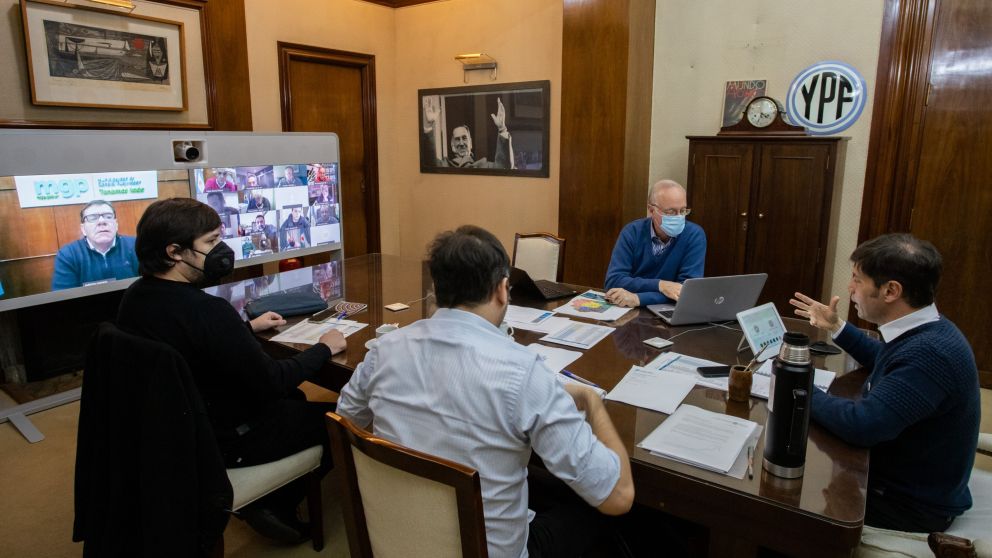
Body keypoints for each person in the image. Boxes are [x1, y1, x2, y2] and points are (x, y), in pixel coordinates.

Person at [337, 225, 634, 558]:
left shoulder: (385, 349)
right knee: (594, 512)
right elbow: (618, 497)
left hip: (394, 540)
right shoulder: (524, 372)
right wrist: (592, 402)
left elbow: (346, 419)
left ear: (436, 289)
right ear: (503, 290)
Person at [117, 198, 347, 544]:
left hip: (175, 428)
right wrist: (324, 347)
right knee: (339, 418)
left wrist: (245, 328)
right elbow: (272, 381)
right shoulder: (208, 311)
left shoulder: (136, 297)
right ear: (174, 252)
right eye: (211, 241)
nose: (221, 249)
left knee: (297, 398)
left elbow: (188, 341)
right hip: (226, 438)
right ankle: (274, 504)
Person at [790, 233, 980, 533]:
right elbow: (886, 357)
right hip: (910, 479)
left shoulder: (930, 355)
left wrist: (796, 384)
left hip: (910, 505)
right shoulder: (931, 329)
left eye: (857, 280)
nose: (850, 288)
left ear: (891, 290)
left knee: (786, 496)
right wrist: (836, 327)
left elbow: (862, 426)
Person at [603, 180, 706, 307]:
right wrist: (660, 285)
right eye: (671, 212)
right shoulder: (632, 232)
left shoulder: (694, 235)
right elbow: (613, 281)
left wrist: (639, 298)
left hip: (667, 309)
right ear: (651, 210)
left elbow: (687, 291)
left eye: (683, 210)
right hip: (627, 309)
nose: (679, 217)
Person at [52, 200, 139, 290]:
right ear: (83, 229)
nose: (102, 221)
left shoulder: (136, 246)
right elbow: (64, 296)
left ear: (116, 225)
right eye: (93, 218)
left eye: (108, 217)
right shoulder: (68, 255)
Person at [421, 95, 514, 169]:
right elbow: (430, 164)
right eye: (457, 139)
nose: (461, 143)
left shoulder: (484, 165)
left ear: (471, 143)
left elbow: (504, 167)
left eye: (464, 138)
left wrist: (502, 128)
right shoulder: (444, 165)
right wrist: (428, 126)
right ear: (452, 146)